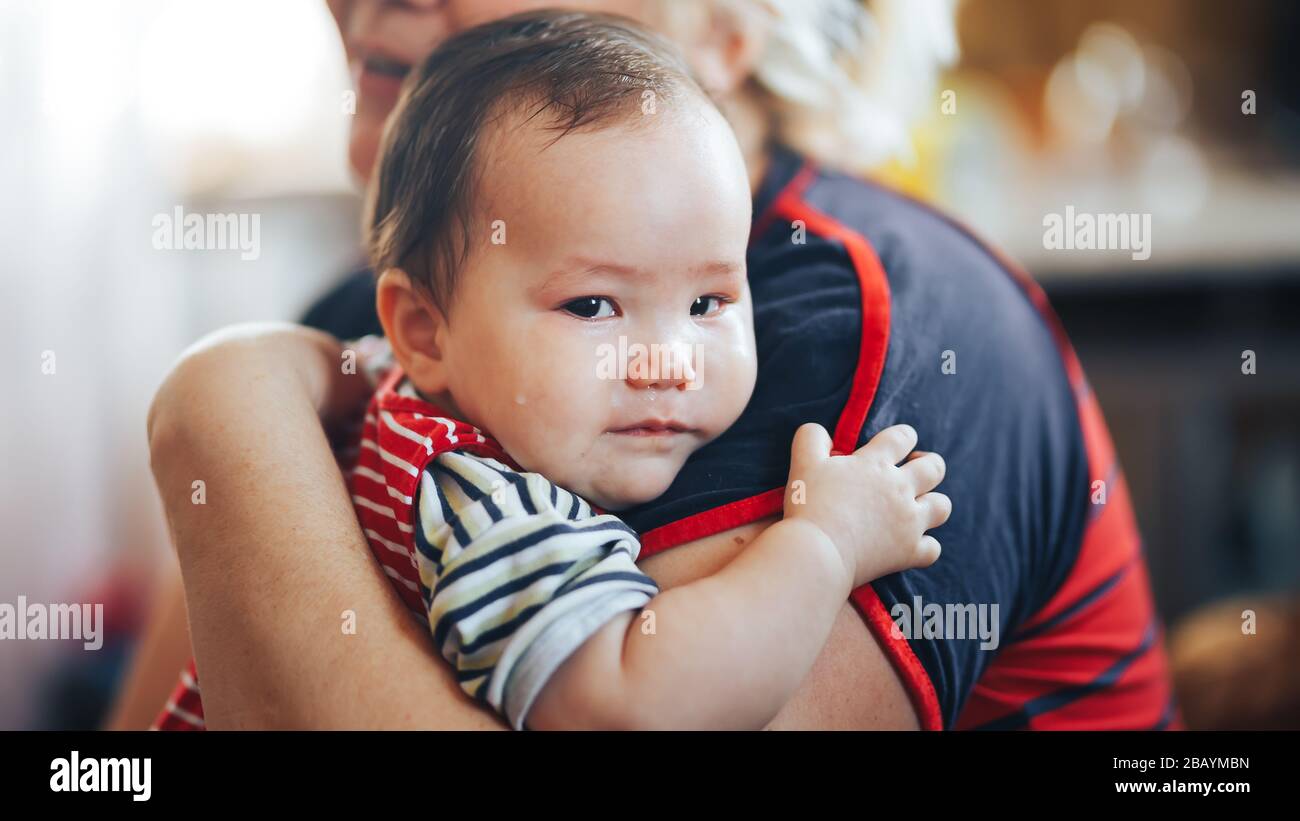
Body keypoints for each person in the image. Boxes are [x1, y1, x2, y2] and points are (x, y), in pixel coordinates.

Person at [133, 0, 1180, 730]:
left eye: (708, 301)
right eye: (589, 303)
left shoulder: (872, 334)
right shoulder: (353, 324)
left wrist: (223, 420)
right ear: (421, 327)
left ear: (724, 28)